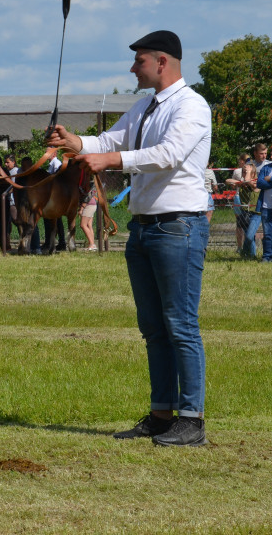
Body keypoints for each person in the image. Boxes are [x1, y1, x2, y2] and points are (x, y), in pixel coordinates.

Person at [48, 29, 212, 446]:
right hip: (144, 230)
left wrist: (112, 159)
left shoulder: (191, 106)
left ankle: (191, 420)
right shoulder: (143, 108)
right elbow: (107, 140)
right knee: (154, 328)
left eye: (139, 61)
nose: (132, 68)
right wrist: (75, 141)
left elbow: (169, 154)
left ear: (162, 62)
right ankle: (161, 414)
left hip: (179, 226)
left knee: (181, 325)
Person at [241, 144, 270, 259]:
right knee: (249, 234)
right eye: (261, 153)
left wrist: (249, 180)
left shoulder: (268, 165)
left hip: (266, 202)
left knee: (269, 231)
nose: (264, 156)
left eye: (265, 153)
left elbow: (254, 183)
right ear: (255, 153)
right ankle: (250, 255)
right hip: (250, 206)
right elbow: (240, 179)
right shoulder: (251, 165)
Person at [224, 153, 253, 253]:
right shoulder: (248, 170)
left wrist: (237, 183)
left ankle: (241, 247)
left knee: (240, 224)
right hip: (242, 198)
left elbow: (232, 185)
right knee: (245, 223)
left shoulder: (239, 171)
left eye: (240, 161)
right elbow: (231, 182)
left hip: (240, 198)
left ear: (242, 161)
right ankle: (243, 246)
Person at [17, 156, 41, 254]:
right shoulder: (20, 176)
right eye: (22, 165)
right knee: (23, 224)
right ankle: (25, 247)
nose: (23, 167)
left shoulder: (36, 176)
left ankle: (36, 247)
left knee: (33, 225)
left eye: (25, 165)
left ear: (30, 165)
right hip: (23, 204)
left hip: (33, 205)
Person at [78, 185, 98, 251]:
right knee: (89, 226)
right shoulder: (91, 184)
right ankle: (92, 244)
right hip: (93, 204)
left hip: (88, 205)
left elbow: (86, 197)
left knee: (83, 225)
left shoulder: (85, 184)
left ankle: (92, 244)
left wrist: (81, 209)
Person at [203, 161, 218, 225]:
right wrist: (216, 191)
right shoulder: (210, 172)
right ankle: (205, 228)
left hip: (197, 194)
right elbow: (215, 186)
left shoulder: (196, 170)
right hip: (207, 194)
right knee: (209, 212)